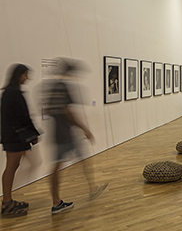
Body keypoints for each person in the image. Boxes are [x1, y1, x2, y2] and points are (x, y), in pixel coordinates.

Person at [46, 59, 108, 215]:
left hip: (58, 132)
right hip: (66, 133)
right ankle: (92, 189)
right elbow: (68, 111)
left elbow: (48, 109)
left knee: (59, 166)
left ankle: (56, 202)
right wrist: (85, 129)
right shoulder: (63, 87)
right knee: (81, 159)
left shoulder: (53, 87)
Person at [1, 64, 40, 217]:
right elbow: (23, 117)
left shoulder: (8, 92)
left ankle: (8, 201)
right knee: (11, 168)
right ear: (19, 75)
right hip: (15, 138)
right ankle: (6, 204)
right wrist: (33, 134)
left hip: (12, 137)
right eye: (26, 75)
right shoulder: (14, 93)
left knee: (12, 167)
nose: (27, 78)